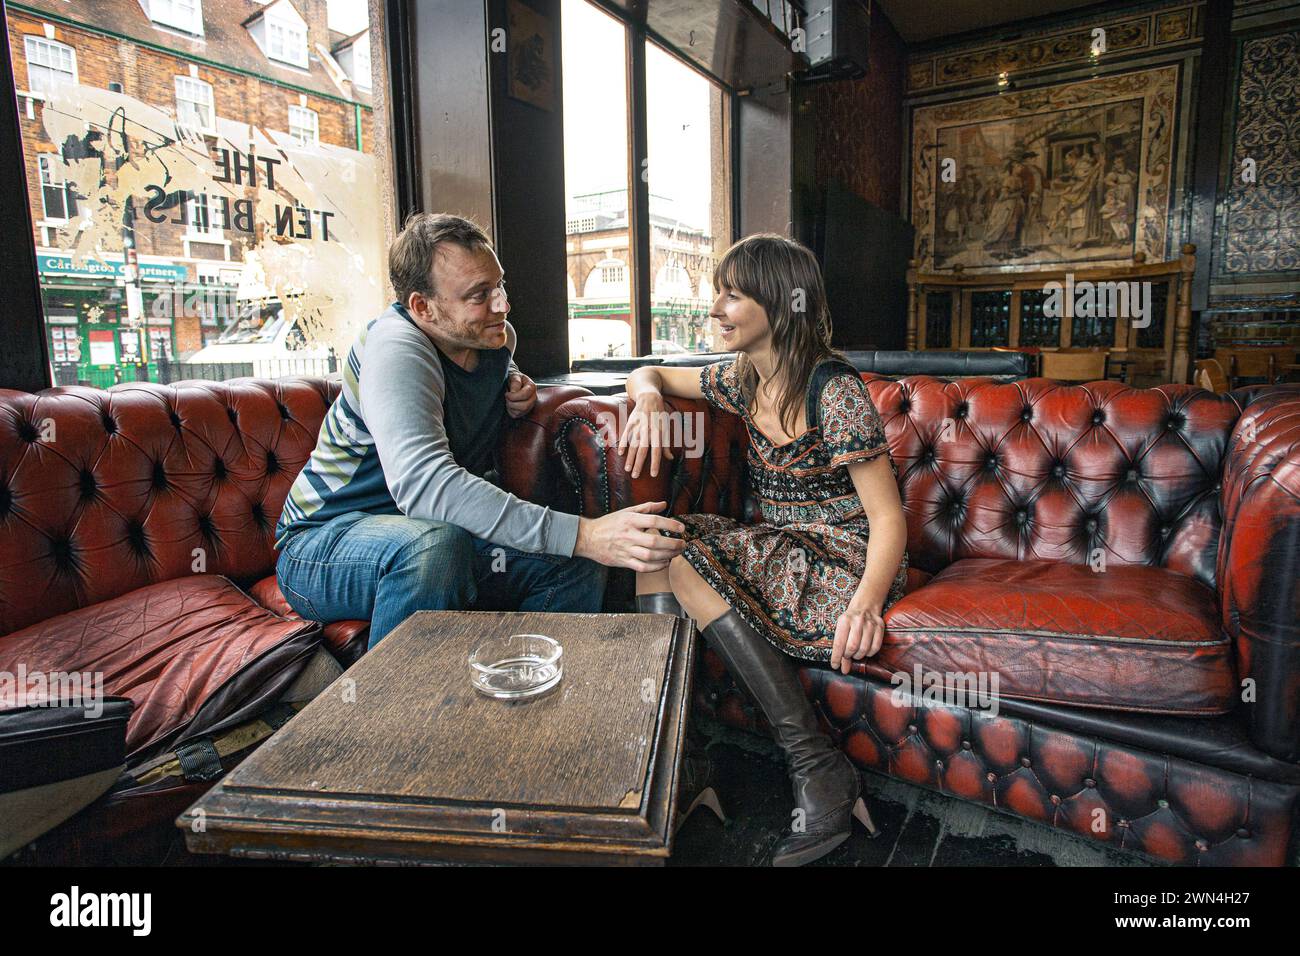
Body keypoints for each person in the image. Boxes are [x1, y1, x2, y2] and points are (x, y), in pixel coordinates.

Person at [617, 234, 909, 866]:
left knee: (677, 553)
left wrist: (866, 605)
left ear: (780, 304)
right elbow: (652, 370)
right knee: (653, 541)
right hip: (778, 549)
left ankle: (815, 768)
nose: (714, 309)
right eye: (716, 293)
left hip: (843, 560)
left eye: (732, 295)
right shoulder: (740, 379)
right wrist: (644, 397)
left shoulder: (835, 392)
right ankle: (681, 766)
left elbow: (889, 519)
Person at [275, 212, 686, 649]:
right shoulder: (396, 349)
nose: (502, 305)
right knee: (433, 548)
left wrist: (513, 381)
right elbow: (424, 487)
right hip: (322, 544)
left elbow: (480, 374)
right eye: (479, 295)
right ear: (422, 307)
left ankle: (516, 696)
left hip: (432, 536)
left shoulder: (494, 339)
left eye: (499, 285)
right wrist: (586, 533)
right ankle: (392, 715)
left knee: (573, 565)